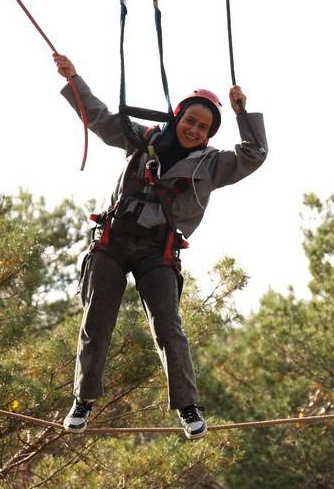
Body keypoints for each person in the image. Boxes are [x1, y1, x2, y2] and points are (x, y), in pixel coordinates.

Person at [54, 52, 267, 439]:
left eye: (203, 127)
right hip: (114, 240)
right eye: (190, 121)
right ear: (177, 117)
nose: (194, 130)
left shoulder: (212, 165)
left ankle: (188, 407)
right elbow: (100, 118)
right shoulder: (143, 139)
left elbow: (254, 154)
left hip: (158, 252)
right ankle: (83, 400)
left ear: (209, 134)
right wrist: (74, 78)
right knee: (96, 321)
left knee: (169, 328)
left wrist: (242, 113)